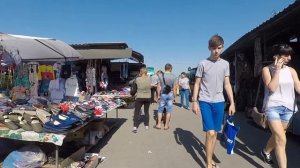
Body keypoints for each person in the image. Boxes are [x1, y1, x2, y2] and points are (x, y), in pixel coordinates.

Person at [192, 34, 235, 168]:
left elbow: (227, 84)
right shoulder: (202, 64)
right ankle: (209, 163)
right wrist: (194, 101)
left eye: (219, 48)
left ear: (222, 47)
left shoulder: (225, 64)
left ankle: (209, 154)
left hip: (219, 102)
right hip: (205, 101)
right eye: (214, 48)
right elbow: (197, 83)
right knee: (210, 132)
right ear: (209, 48)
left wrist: (232, 102)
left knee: (214, 133)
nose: (216, 51)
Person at [261, 43, 299, 168]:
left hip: (288, 108)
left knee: (278, 135)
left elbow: (298, 87)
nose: (289, 58)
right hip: (273, 107)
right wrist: (277, 70)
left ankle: (265, 151)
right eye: (286, 55)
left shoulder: (291, 71)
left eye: (290, 55)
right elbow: (271, 88)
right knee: (282, 139)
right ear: (276, 56)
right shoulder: (266, 70)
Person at [154, 63, 177, 130]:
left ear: (165, 68)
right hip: (170, 94)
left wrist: (158, 95)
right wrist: (175, 97)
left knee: (160, 110)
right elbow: (175, 88)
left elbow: (158, 87)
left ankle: (158, 125)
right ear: (170, 68)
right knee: (168, 110)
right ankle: (166, 125)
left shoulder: (160, 76)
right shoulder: (174, 76)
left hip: (163, 94)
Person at [132, 66, 152, 133]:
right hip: (148, 97)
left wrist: (131, 94)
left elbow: (133, 90)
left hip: (139, 97)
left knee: (136, 112)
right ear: (146, 72)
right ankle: (146, 125)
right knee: (146, 112)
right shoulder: (150, 79)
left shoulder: (137, 79)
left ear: (140, 72)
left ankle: (135, 127)